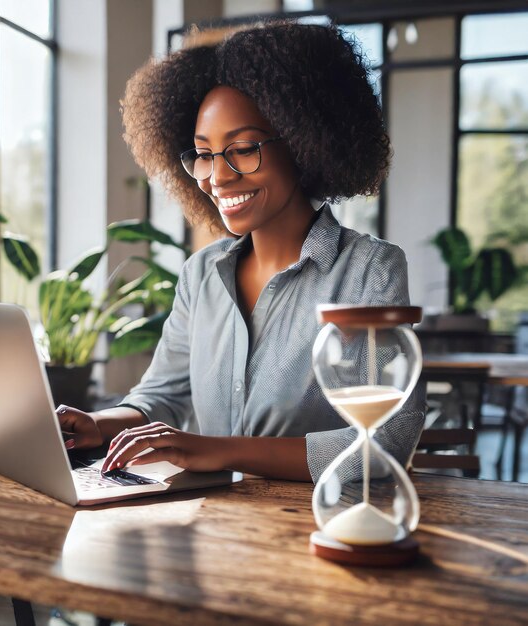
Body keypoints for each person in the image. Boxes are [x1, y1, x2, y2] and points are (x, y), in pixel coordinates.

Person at [58, 21, 425, 483]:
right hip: (212, 528)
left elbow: (388, 442)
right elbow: (160, 398)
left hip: (317, 527)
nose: (218, 176)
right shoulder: (201, 275)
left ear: (304, 142)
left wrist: (218, 452)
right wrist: (98, 424)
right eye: (203, 154)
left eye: (243, 149)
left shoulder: (370, 271)